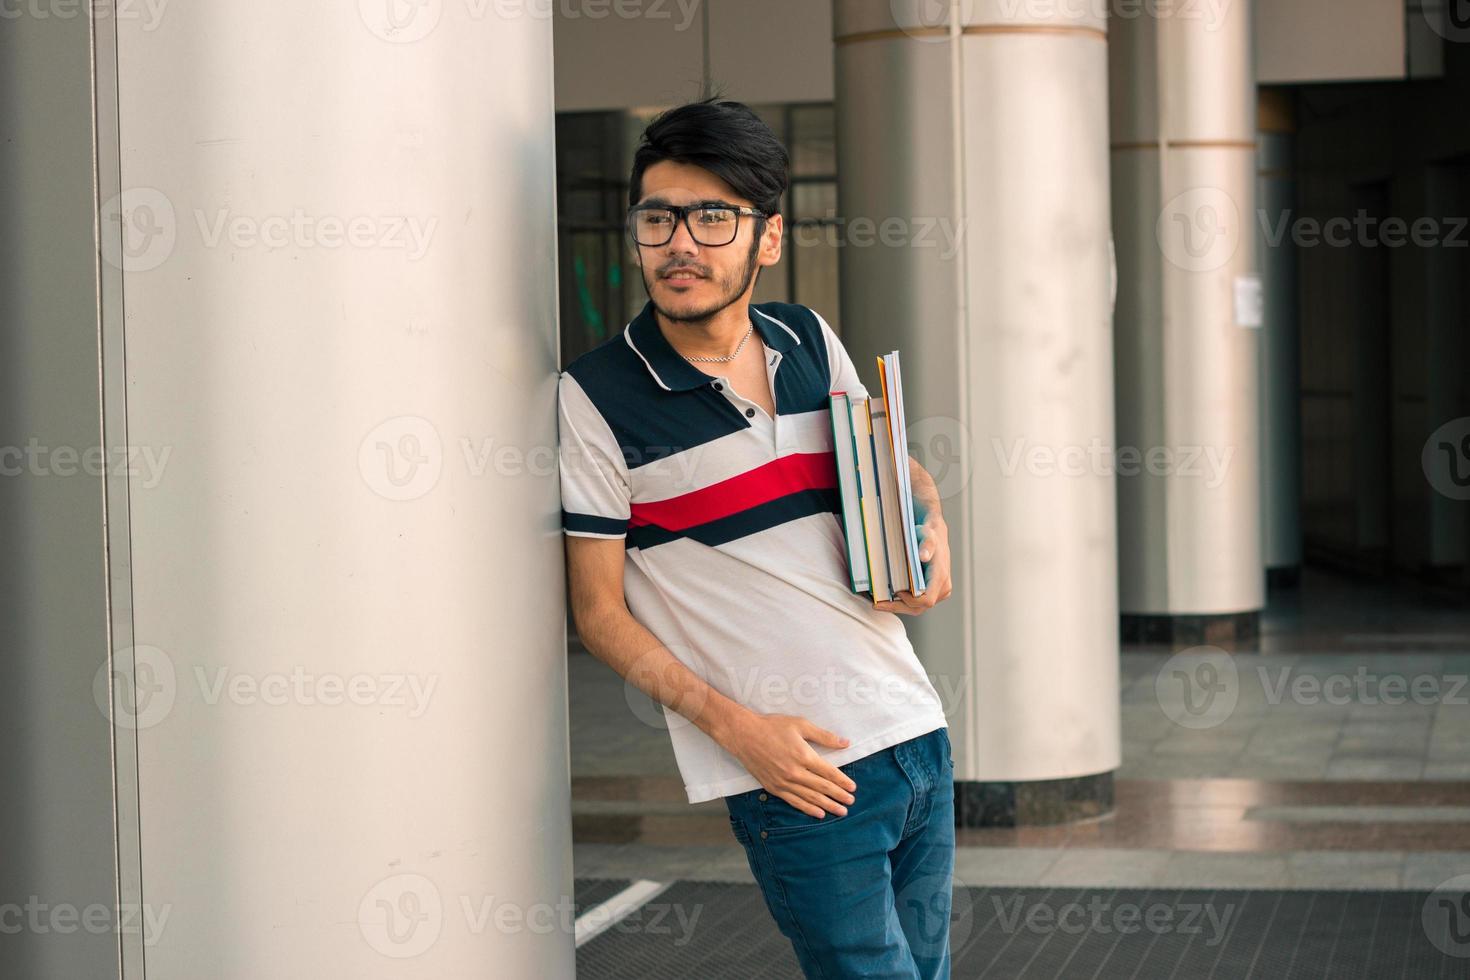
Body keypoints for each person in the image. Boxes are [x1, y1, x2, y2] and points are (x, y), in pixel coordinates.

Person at [556, 95, 957, 979]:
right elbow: (598, 613)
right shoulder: (593, 398)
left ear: (767, 238)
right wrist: (741, 733)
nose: (680, 243)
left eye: (711, 217)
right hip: (799, 769)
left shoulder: (807, 338)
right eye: (658, 217)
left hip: (916, 732)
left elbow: (897, 471)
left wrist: (931, 534)